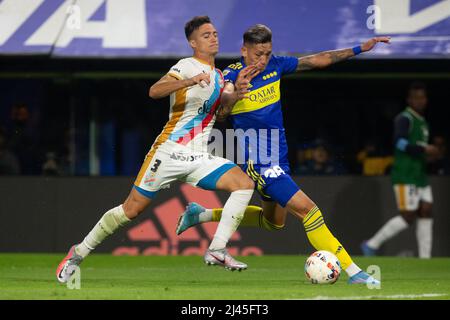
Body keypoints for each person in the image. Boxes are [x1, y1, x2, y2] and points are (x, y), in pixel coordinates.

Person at [176, 24, 390, 284]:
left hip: (279, 157)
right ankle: (355, 273)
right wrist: (234, 95)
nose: (263, 60)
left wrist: (359, 49)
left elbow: (316, 61)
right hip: (258, 160)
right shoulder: (231, 76)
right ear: (244, 50)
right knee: (309, 211)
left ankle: (200, 214)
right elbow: (220, 115)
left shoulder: (276, 65)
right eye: (257, 54)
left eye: (267, 53)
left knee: (273, 223)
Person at [56, 16, 257, 283]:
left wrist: (234, 96)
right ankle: (78, 253)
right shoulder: (185, 66)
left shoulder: (220, 77)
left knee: (244, 184)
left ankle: (217, 249)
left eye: (215, 33)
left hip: (198, 156)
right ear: (193, 42)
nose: (214, 37)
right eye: (206, 34)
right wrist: (187, 81)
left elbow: (220, 115)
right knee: (130, 211)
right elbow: (155, 90)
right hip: (169, 152)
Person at [361, 82, 440, 258]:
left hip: (420, 174)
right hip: (406, 174)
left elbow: (417, 146)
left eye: (423, 97)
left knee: (426, 210)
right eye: (416, 97)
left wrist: (429, 154)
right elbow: (399, 142)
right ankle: (371, 244)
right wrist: (424, 150)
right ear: (409, 100)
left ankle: (425, 258)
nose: (420, 101)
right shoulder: (404, 118)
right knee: (408, 216)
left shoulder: (422, 121)